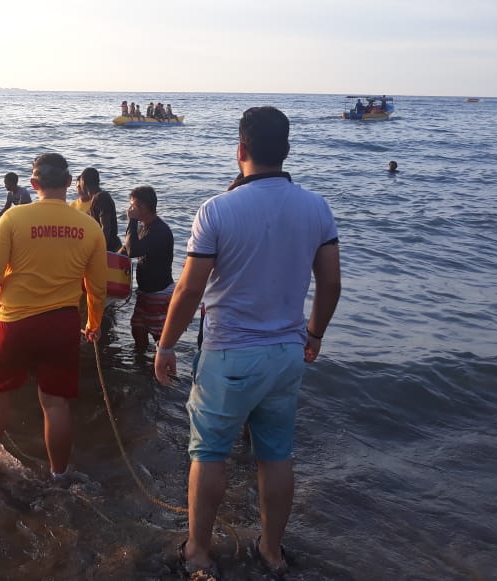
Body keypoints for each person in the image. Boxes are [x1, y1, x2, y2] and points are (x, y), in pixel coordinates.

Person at [154, 106, 342, 579]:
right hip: (287, 353)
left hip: (229, 354)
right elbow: (331, 284)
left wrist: (166, 345)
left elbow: (190, 288)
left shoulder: (217, 209)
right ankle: (272, 553)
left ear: (240, 150)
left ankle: (198, 552)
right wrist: (314, 333)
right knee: (276, 454)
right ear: (287, 151)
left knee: (210, 453)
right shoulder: (317, 207)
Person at [0, 152, 108, 481]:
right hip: (61, 323)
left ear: (34, 184)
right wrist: (93, 324)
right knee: (55, 404)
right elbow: (97, 288)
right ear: (68, 183)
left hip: (15, 321)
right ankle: (59, 476)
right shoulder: (89, 226)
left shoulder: (13, 219)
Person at [122, 186, 174, 350]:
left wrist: (131, 220)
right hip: (145, 292)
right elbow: (127, 248)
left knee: (161, 337)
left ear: (143, 208)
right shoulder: (143, 227)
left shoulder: (159, 231)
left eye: (133, 206)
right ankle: (142, 367)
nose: (130, 209)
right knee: (138, 329)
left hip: (158, 292)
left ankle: (163, 370)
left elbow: (133, 251)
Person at [74, 167, 122, 252]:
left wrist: (99, 250)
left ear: (83, 182)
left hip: (110, 249)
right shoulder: (96, 198)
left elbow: (106, 227)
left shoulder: (101, 197)